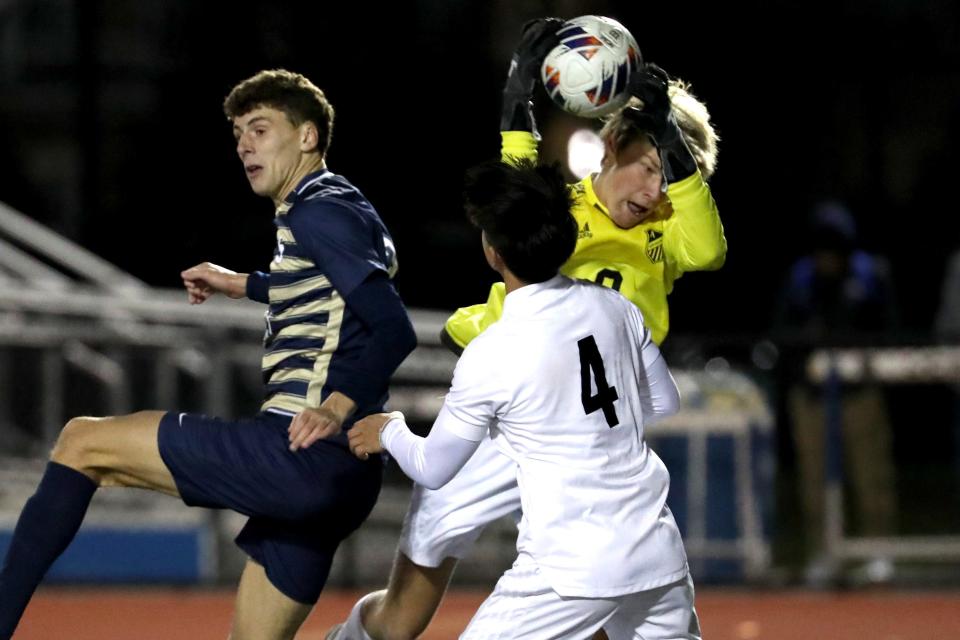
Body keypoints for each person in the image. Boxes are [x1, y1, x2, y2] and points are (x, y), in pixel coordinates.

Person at [328, 18, 724, 640]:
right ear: (612, 144)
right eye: (647, 166)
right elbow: (509, 192)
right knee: (407, 603)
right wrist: (518, 97)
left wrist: (672, 141)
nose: (655, 190)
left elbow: (707, 250)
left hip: (585, 430)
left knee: (596, 590)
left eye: (670, 176)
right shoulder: (560, 211)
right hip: (510, 412)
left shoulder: (668, 233)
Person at [0, 69, 417, 640]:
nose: (245, 143)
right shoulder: (343, 204)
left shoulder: (317, 212)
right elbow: (323, 290)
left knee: (82, 441)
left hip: (300, 453)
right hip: (340, 478)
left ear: (308, 137)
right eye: (240, 133)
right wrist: (240, 283)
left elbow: (394, 328)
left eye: (261, 128)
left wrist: (335, 406)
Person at [349, 158, 700, 639]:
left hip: (569, 571)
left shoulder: (494, 349)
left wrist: (389, 429)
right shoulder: (617, 307)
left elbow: (433, 467)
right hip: (658, 553)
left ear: (492, 252)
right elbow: (665, 403)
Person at [772, 200, 898, 585]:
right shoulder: (801, 278)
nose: (828, 256)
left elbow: (889, 329)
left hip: (858, 390)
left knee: (870, 471)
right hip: (812, 395)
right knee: (815, 479)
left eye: (835, 247)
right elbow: (782, 334)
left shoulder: (869, 274)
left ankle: (879, 551)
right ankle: (824, 553)